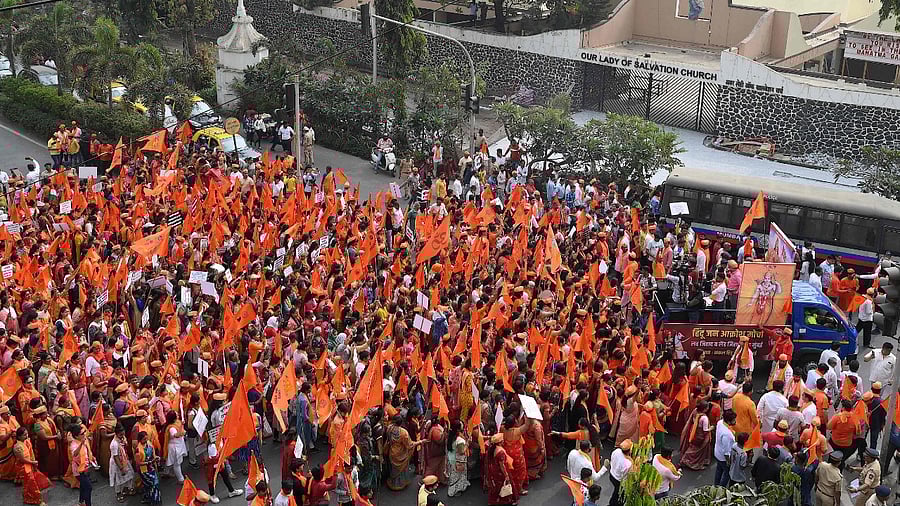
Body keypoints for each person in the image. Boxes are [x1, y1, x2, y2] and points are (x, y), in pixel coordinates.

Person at [14, 426, 51, 506]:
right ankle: (38, 500)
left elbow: (31, 453)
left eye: (27, 434)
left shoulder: (26, 441)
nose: (26, 436)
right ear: (19, 436)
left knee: (28, 483)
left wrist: (33, 462)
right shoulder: (17, 447)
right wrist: (33, 462)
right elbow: (22, 460)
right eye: (24, 435)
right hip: (23, 467)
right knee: (32, 483)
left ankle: (28, 497)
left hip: (30, 464)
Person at [714, 410, 737, 487]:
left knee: (719, 470)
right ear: (728, 421)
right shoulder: (726, 435)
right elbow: (726, 451)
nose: (735, 421)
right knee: (727, 473)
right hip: (723, 457)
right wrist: (728, 462)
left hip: (717, 452)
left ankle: (716, 485)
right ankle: (721, 488)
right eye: (734, 420)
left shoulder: (720, 422)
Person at [609, 439, 633, 506]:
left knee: (616, 492)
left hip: (611, 474)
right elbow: (626, 476)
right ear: (630, 450)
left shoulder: (617, 451)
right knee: (618, 494)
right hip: (618, 480)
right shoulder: (628, 463)